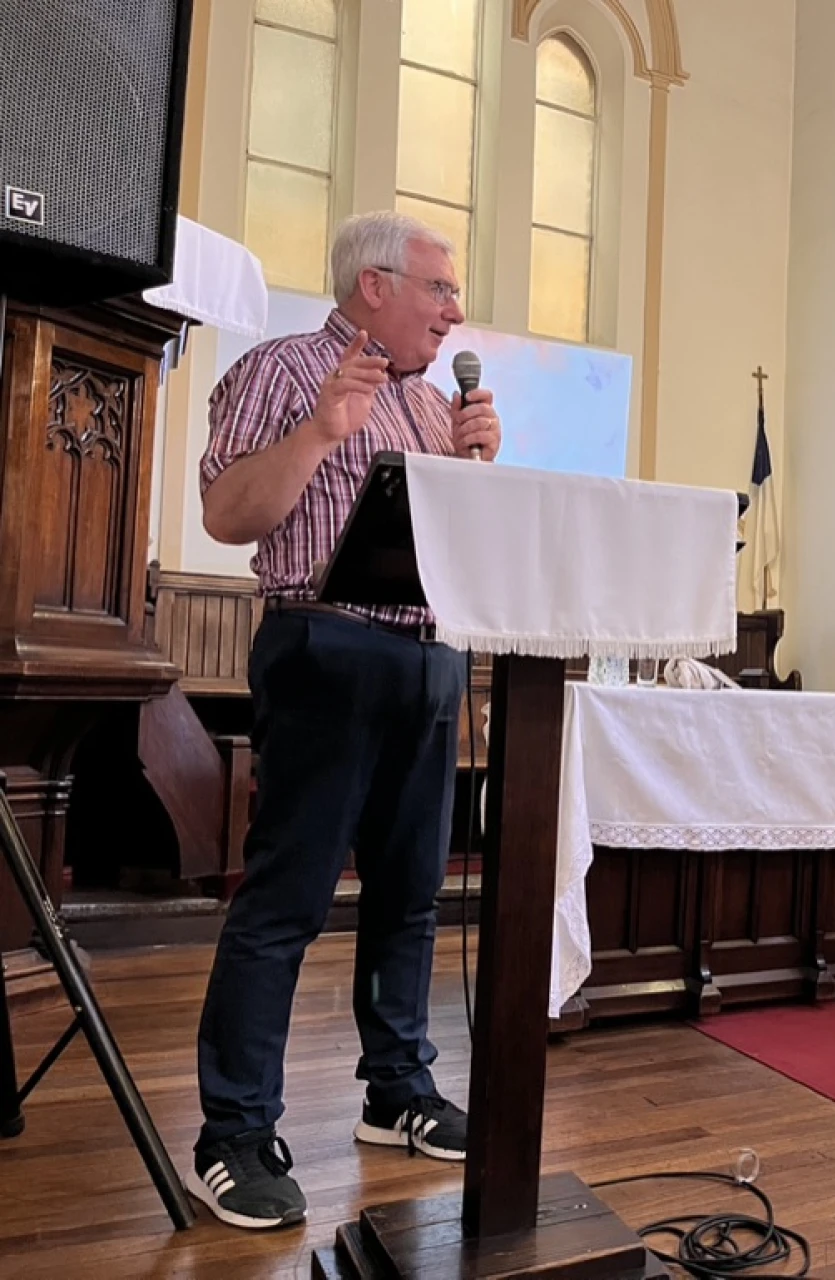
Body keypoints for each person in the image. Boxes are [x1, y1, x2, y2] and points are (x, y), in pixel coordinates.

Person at [190, 211, 501, 1229]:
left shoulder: (425, 408)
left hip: (427, 660)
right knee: (287, 897)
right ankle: (235, 1129)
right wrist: (321, 428)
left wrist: (474, 475)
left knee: (413, 896)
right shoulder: (282, 370)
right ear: (375, 286)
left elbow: (448, 550)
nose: (455, 312)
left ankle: (398, 1088)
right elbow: (230, 513)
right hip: (325, 648)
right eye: (440, 290)